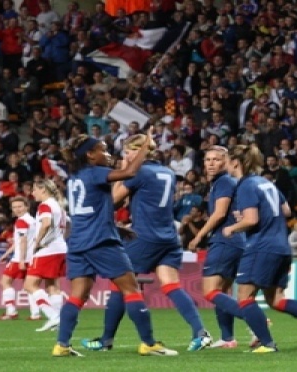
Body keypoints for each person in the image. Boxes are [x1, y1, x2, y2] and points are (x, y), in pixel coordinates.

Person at [53, 129, 178, 357]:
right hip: (100, 241)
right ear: (90, 154)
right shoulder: (96, 172)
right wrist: (145, 146)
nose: (108, 153)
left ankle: (61, 345)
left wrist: (117, 227)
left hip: (79, 242)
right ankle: (148, 343)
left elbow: (88, 211)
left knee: (78, 295)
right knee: (130, 289)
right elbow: (130, 171)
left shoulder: (75, 178)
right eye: (103, 149)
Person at [83, 133, 211, 353]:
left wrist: (122, 175)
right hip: (169, 236)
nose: (125, 156)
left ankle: (106, 340)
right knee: (171, 285)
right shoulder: (168, 172)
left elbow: (112, 201)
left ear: (137, 151)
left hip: (144, 236)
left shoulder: (138, 172)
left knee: (120, 284)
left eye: (127, 152)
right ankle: (200, 332)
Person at [222, 144, 297, 353]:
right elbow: (285, 211)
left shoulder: (246, 185)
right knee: (276, 299)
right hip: (281, 246)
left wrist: (232, 227)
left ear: (236, 162)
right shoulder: (266, 183)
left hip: (261, 246)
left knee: (245, 297)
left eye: (227, 161)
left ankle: (267, 344)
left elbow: (251, 219)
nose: (226, 166)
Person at [188, 145, 246, 348]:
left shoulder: (223, 182)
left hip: (224, 240)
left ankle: (254, 319)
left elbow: (220, 213)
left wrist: (199, 237)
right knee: (223, 292)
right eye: (207, 159)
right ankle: (228, 338)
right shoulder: (219, 183)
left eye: (216, 159)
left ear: (225, 161)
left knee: (210, 290)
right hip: (234, 240)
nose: (211, 163)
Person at [23, 179, 68, 333]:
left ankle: (53, 316)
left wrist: (37, 242)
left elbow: (46, 223)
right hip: (60, 248)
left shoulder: (45, 205)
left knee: (29, 285)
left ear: (43, 190)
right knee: (52, 286)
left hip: (47, 250)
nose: (32, 193)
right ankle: (60, 321)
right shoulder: (59, 206)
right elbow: (68, 225)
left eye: (35, 189)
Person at [0, 196, 40, 321]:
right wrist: (6, 254)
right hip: (31, 257)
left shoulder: (21, 222)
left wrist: (21, 260)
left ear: (27, 207)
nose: (17, 209)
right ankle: (35, 313)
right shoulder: (32, 220)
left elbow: (23, 241)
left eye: (20, 206)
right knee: (29, 285)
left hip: (21, 258)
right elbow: (19, 241)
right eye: (14, 207)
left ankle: (11, 312)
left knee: (5, 282)